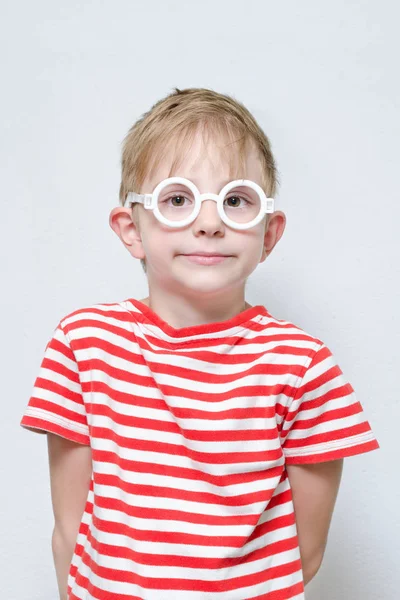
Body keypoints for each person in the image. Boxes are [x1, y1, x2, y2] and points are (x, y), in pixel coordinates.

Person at [20, 86, 379, 600]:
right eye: (177, 199)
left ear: (269, 232)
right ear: (131, 229)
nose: (209, 223)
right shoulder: (84, 345)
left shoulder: (303, 365)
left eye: (235, 200)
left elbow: (306, 551)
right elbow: (71, 533)